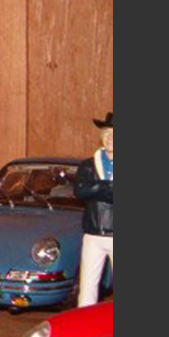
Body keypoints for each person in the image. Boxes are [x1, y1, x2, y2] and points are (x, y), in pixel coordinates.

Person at [75, 111, 113, 307]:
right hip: (93, 233)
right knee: (88, 286)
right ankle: (84, 320)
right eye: (106, 133)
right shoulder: (88, 165)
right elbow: (80, 191)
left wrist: (96, 189)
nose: (110, 138)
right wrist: (106, 187)